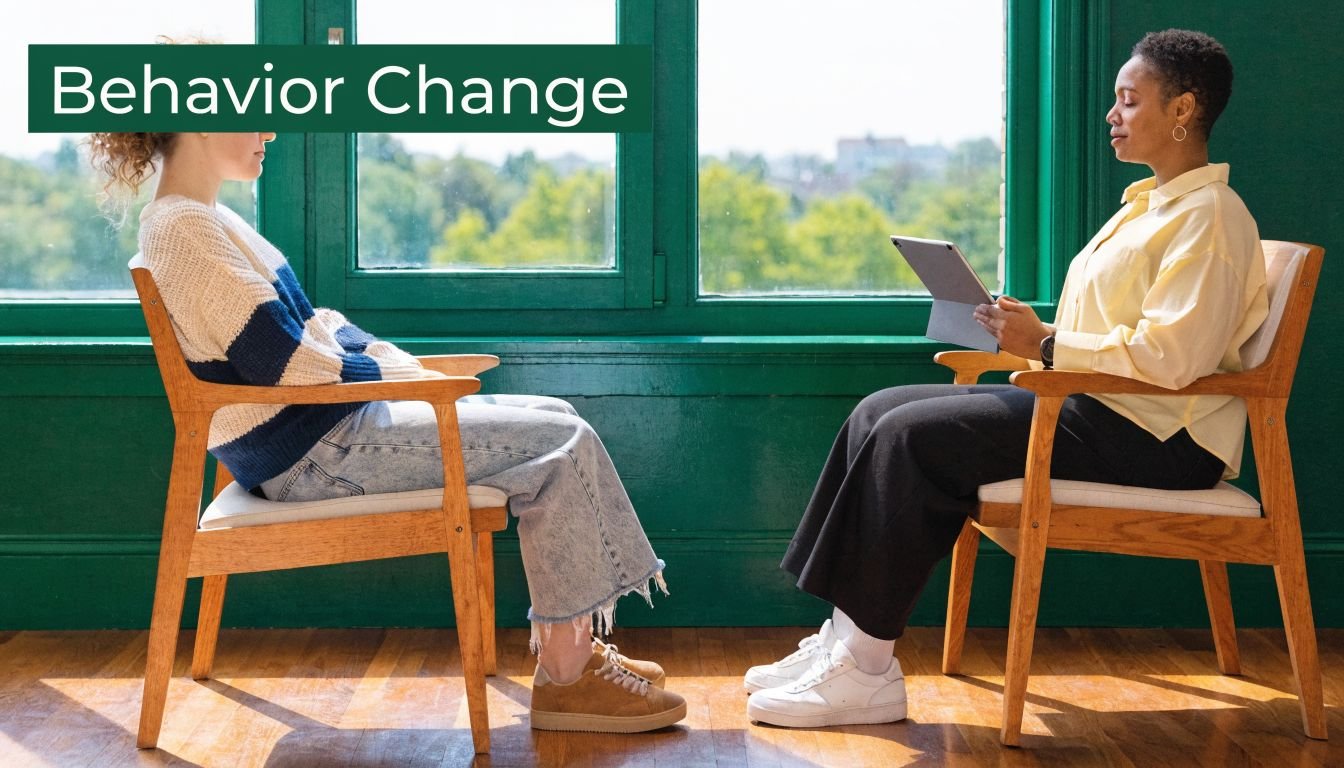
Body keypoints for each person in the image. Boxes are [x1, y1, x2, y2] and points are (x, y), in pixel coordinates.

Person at [745, 28, 1267, 729]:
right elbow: (1119, 334)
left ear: (1183, 110)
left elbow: (1173, 358)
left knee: (912, 437)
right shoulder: (1151, 206)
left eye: (1128, 100)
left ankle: (868, 669)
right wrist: (1026, 335)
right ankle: (842, 639)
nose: (1112, 114)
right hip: (1104, 412)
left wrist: (1046, 341)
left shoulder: (1212, 218)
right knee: (878, 411)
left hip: (1162, 438)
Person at [90, 129, 686, 733]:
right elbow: (285, 361)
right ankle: (567, 675)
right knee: (562, 445)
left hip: (326, 432)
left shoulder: (206, 220)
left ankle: (574, 653)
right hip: (318, 453)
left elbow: (319, 328)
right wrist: (404, 378)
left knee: (557, 416)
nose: (268, 130)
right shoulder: (181, 230)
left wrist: (402, 369)